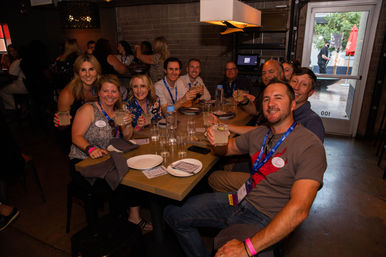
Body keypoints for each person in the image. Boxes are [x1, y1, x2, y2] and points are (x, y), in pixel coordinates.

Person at [164, 80, 327, 257]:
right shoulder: (260, 133)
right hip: (237, 200)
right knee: (173, 213)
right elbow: (227, 149)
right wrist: (217, 139)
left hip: (265, 216)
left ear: (293, 104)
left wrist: (246, 248)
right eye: (266, 99)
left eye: (277, 98)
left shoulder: (310, 146)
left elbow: (299, 210)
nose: (270, 103)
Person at [209, 70, 325, 193]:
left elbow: (307, 173)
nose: (296, 87)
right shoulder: (278, 115)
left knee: (215, 177)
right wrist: (222, 131)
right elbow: (257, 132)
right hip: (262, 164)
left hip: (275, 183)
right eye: (294, 82)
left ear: (311, 92)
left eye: (304, 84)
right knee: (225, 164)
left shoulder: (312, 123)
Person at [69, 74, 152, 231]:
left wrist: (127, 125)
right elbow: (75, 136)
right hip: (83, 162)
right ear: (99, 92)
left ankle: (128, 220)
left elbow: (127, 136)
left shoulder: (118, 112)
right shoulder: (89, 109)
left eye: (114, 91)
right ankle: (116, 225)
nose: (110, 95)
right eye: (106, 91)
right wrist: (90, 149)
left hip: (107, 160)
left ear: (119, 94)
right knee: (124, 183)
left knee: (136, 177)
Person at [0, 44, 28, 110]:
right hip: (25, 84)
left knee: (3, 91)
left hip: (23, 85)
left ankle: (14, 108)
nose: (12, 53)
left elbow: (13, 76)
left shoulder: (18, 61)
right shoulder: (17, 60)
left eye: (13, 51)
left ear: (17, 51)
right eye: (10, 51)